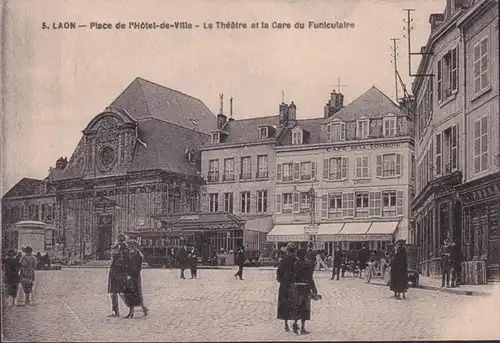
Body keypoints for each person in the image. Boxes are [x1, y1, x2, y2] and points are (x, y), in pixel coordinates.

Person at [292, 248, 319, 335]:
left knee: (297, 306)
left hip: (297, 287)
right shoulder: (309, 264)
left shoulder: (295, 264)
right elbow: (310, 278)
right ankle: (303, 328)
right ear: (305, 255)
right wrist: (314, 290)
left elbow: (293, 275)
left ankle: (295, 323)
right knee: (305, 307)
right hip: (305, 287)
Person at [276, 243, 298, 332]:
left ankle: (285, 324)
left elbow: (278, 273)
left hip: (284, 285)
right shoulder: (296, 260)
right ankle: (295, 322)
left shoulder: (283, 260)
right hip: (294, 284)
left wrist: (281, 280)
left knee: (284, 304)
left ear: (287, 251)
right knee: (295, 303)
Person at [107, 234, 129, 317]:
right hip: (114, 271)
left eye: (121, 240)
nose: (120, 242)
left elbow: (125, 261)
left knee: (121, 292)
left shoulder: (126, 249)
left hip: (120, 271)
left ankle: (133, 307)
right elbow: (111, 255)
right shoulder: (115, 248)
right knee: (113, 293)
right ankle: (115, 312)